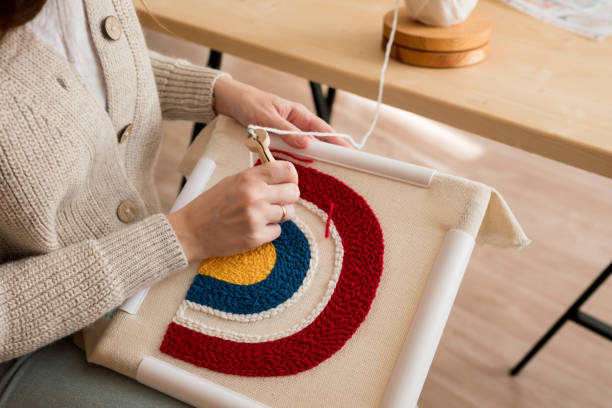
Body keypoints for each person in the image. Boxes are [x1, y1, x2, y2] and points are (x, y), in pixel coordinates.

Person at [0, 0, 348, 405]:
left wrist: (218, 91)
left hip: (139, 279)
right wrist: (182, 236)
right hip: (34, 345)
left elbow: (75, 70)